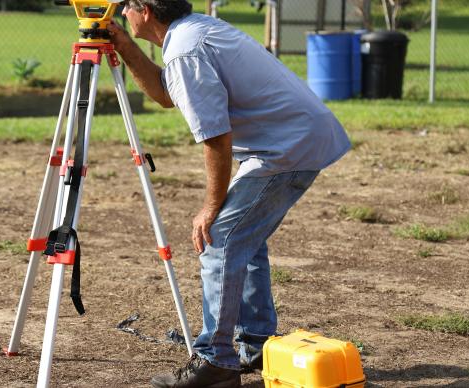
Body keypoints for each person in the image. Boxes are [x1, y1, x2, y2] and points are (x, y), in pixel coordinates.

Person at [108, 1, 351, 387]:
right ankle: (254, 343)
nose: (121, 13)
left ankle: (215, 361)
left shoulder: (186, 48)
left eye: (125, 8)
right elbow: (166, 94)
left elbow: (216, 135)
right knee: (244, 240)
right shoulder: (192, 32)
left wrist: (210, 206)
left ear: (146, 10)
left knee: (219, 239)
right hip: (293, 139)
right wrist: (122, 45)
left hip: (285, 148)